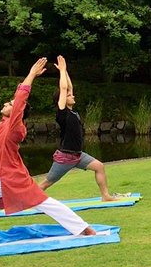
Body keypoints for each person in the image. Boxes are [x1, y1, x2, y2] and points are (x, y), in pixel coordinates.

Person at [0, 58, 95, 248]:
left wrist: (31, 75)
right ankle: (84, 228)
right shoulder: (4, 124)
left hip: (8, 178)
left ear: (17, 113)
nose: (7, 103)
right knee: (46, 203)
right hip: (14, 176)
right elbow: (17, 99)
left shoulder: (15, 127)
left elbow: (20, 99)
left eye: (10, 104)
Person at [39, 55, 117, 201]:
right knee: (45, 183)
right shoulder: (62, 113)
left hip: (78, 155)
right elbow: (63, 88)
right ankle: (26, 201)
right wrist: (61, 71)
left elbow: (69, 86)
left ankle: (105, 196)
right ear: (61, 100)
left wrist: (66, 71)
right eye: (68, 95)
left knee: (99, 167)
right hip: (65, 157)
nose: (72, 95)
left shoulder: (73, 112)